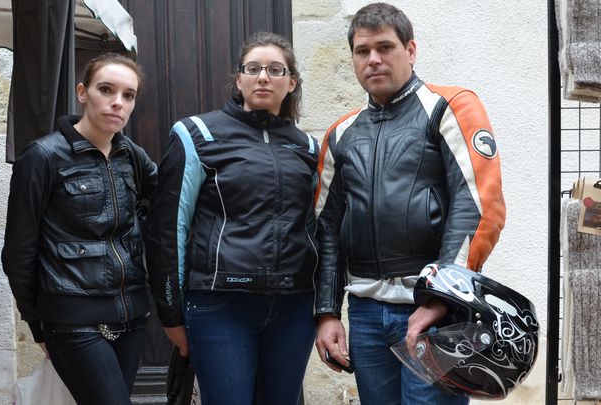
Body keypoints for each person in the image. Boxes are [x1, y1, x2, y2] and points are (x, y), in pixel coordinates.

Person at [313, 3, 505, 405]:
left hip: (433, 312)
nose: (374, 59)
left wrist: (441, 298)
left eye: (385, 47)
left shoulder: (449, 107)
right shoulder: (340, 133)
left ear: (411, 50)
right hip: (364, 313)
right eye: (363, 51)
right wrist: (328, 311)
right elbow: (326, 228)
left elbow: (479, 207)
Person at [145, 32, 319, 405]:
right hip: (221, 305)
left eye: (275, 70)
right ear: (238, 79)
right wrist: (171, 312)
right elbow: (168, 228)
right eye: (253, 68)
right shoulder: (197, 133)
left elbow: (316, 228)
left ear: (291, 83)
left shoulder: (307, 147)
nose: (263, 77)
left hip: (294, 307)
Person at [1, 53, 157, 405]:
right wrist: (36, 323)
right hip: (72, 319)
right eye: (107, 89)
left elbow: (165, 205)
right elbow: (18, 251)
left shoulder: (131, 155)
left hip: (131, 315)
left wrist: (137, 230)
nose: (118, 102)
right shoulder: (42, 157)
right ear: (83, 93)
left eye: (128, 95)